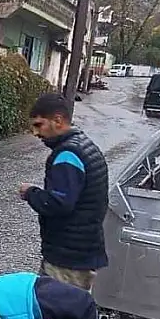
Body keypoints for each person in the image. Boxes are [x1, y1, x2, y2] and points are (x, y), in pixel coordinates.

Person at [19, 92, 109, 291]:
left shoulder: (67, 155)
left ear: (57, 120)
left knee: (57, 311)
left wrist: (30, 192)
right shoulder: (84, 145)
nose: (35, 133)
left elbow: (59, 204)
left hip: (68, 258)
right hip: (82, 252)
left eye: (39, 125)